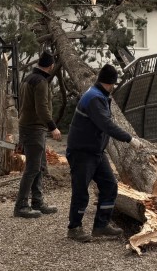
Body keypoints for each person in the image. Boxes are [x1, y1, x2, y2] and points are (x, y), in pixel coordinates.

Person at [65, 64, 143, 242]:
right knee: (81, 191)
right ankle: (74, 228)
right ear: (111, 83)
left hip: (96, 152)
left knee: (109, 185)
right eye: (114, 84)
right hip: (82, 152)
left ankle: (101, 225)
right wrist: (130, 139)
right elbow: (106, 125)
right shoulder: (94, 98)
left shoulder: (99, 95)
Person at [14, 51, 61, 219]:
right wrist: (52, 127)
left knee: (39, 166)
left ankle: (37, 201)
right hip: (34, 128)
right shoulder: (41, 82)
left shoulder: (27, 78)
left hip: (29, 127)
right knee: (33, 167)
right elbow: (42, 108)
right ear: (51, 66)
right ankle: (21, 205)